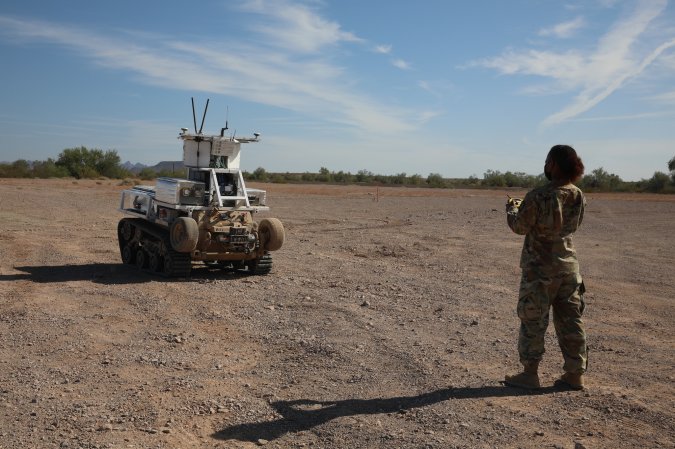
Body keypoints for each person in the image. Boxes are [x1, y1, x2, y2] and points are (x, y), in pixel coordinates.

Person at [504, 145, 588, 390]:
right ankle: (575, 374)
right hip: (569, 268)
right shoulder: (577, 194)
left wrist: (511, 209)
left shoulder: (539, 195)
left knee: (533, 319)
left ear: (553, 164)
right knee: (571, 320)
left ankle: (529, 374)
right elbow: (573, 225)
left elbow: (520, 227)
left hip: (540, 269)